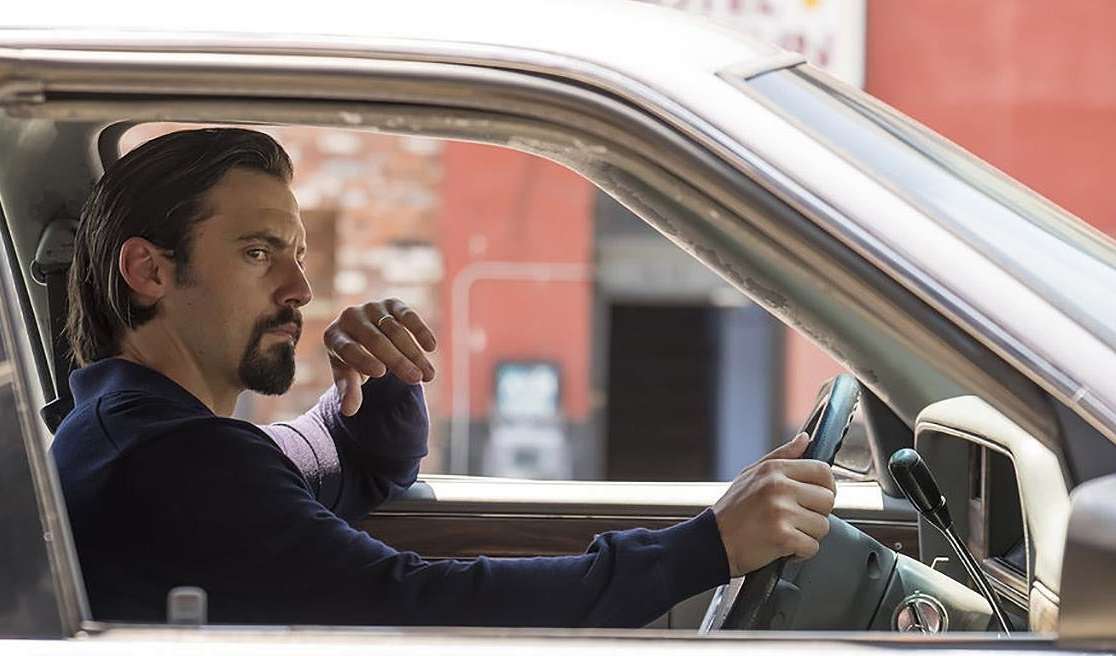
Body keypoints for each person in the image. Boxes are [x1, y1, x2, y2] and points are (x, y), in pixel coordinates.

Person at [52, 127, 836, 627]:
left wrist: (384, 379)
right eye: (259, 253)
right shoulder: (169, 462)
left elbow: (357, 464)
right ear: (149, 272)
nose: (300, 288)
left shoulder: (149, 434)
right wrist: (705, 548)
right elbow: (421, 602)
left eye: (298, 254)